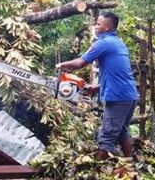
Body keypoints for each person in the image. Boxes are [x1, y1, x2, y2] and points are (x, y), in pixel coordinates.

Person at [56, 11, 137, 160]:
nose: (95, 26)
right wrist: (97, 87)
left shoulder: (104, 43)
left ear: (106, 27)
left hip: (119, 98)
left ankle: (94, 169)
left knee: (106, 136)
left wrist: (62, 64)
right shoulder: (118, 42)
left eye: (98, 24)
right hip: (129, 94)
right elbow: (117, 74)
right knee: (122, 131)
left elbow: (80, 63)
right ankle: (130, 165)